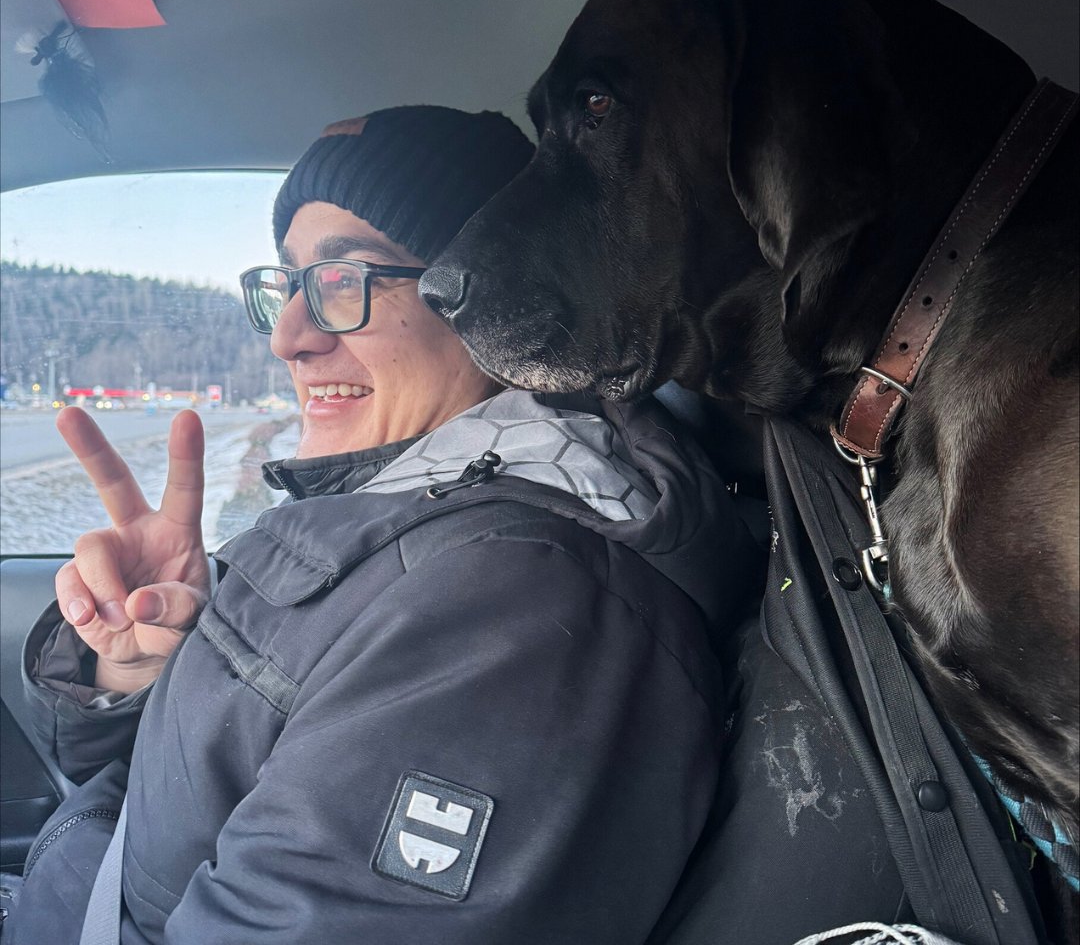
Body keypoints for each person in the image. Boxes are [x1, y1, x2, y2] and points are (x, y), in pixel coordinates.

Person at [10, 105, 760, 944]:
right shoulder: (403, 516)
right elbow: (176, 820)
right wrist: (133, 674)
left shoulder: (515, 608)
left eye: (343, 283)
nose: (289, 339)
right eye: (289, 285)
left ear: (490, 300)